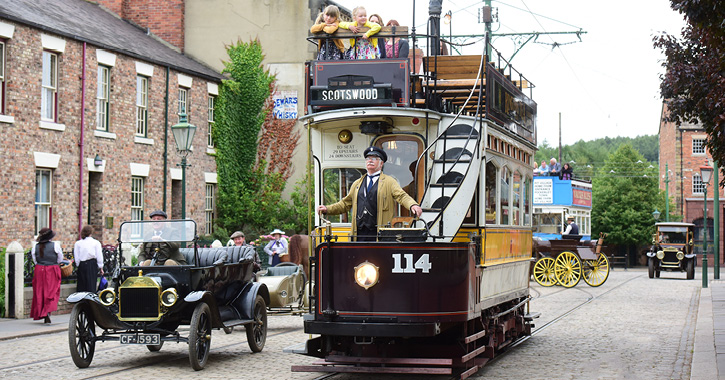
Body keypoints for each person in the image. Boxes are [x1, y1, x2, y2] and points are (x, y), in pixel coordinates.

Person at [317, 146, 423, 241]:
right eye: (368, 158)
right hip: (359, 233)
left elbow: (401, 196)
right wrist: (327, 209)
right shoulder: (357, 183)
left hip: (378, 233)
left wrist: (413, 205)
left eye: (374, 158)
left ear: (381, 163)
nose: (370, 161)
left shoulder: (389, 182)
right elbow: (345, 204)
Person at [30, 227, 63, 323]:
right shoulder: (55, 246)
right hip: (52, 269)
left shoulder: (35, 247)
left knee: (39, 292)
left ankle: (44, 312)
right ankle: (47, 311)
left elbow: (35, 260)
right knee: (52, 291)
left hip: (39, 270)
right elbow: (59, 259)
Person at [73, 225, 103, 293]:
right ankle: (91, 301)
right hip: (92, 264)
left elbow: (76, 257)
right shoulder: (96, 243)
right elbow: (99, 256)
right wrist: (101, 266)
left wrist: (78, 265)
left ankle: (82, 301)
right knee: (91, 285)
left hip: (82, 264)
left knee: (82, 285)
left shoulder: (78, 243)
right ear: (91, 232)